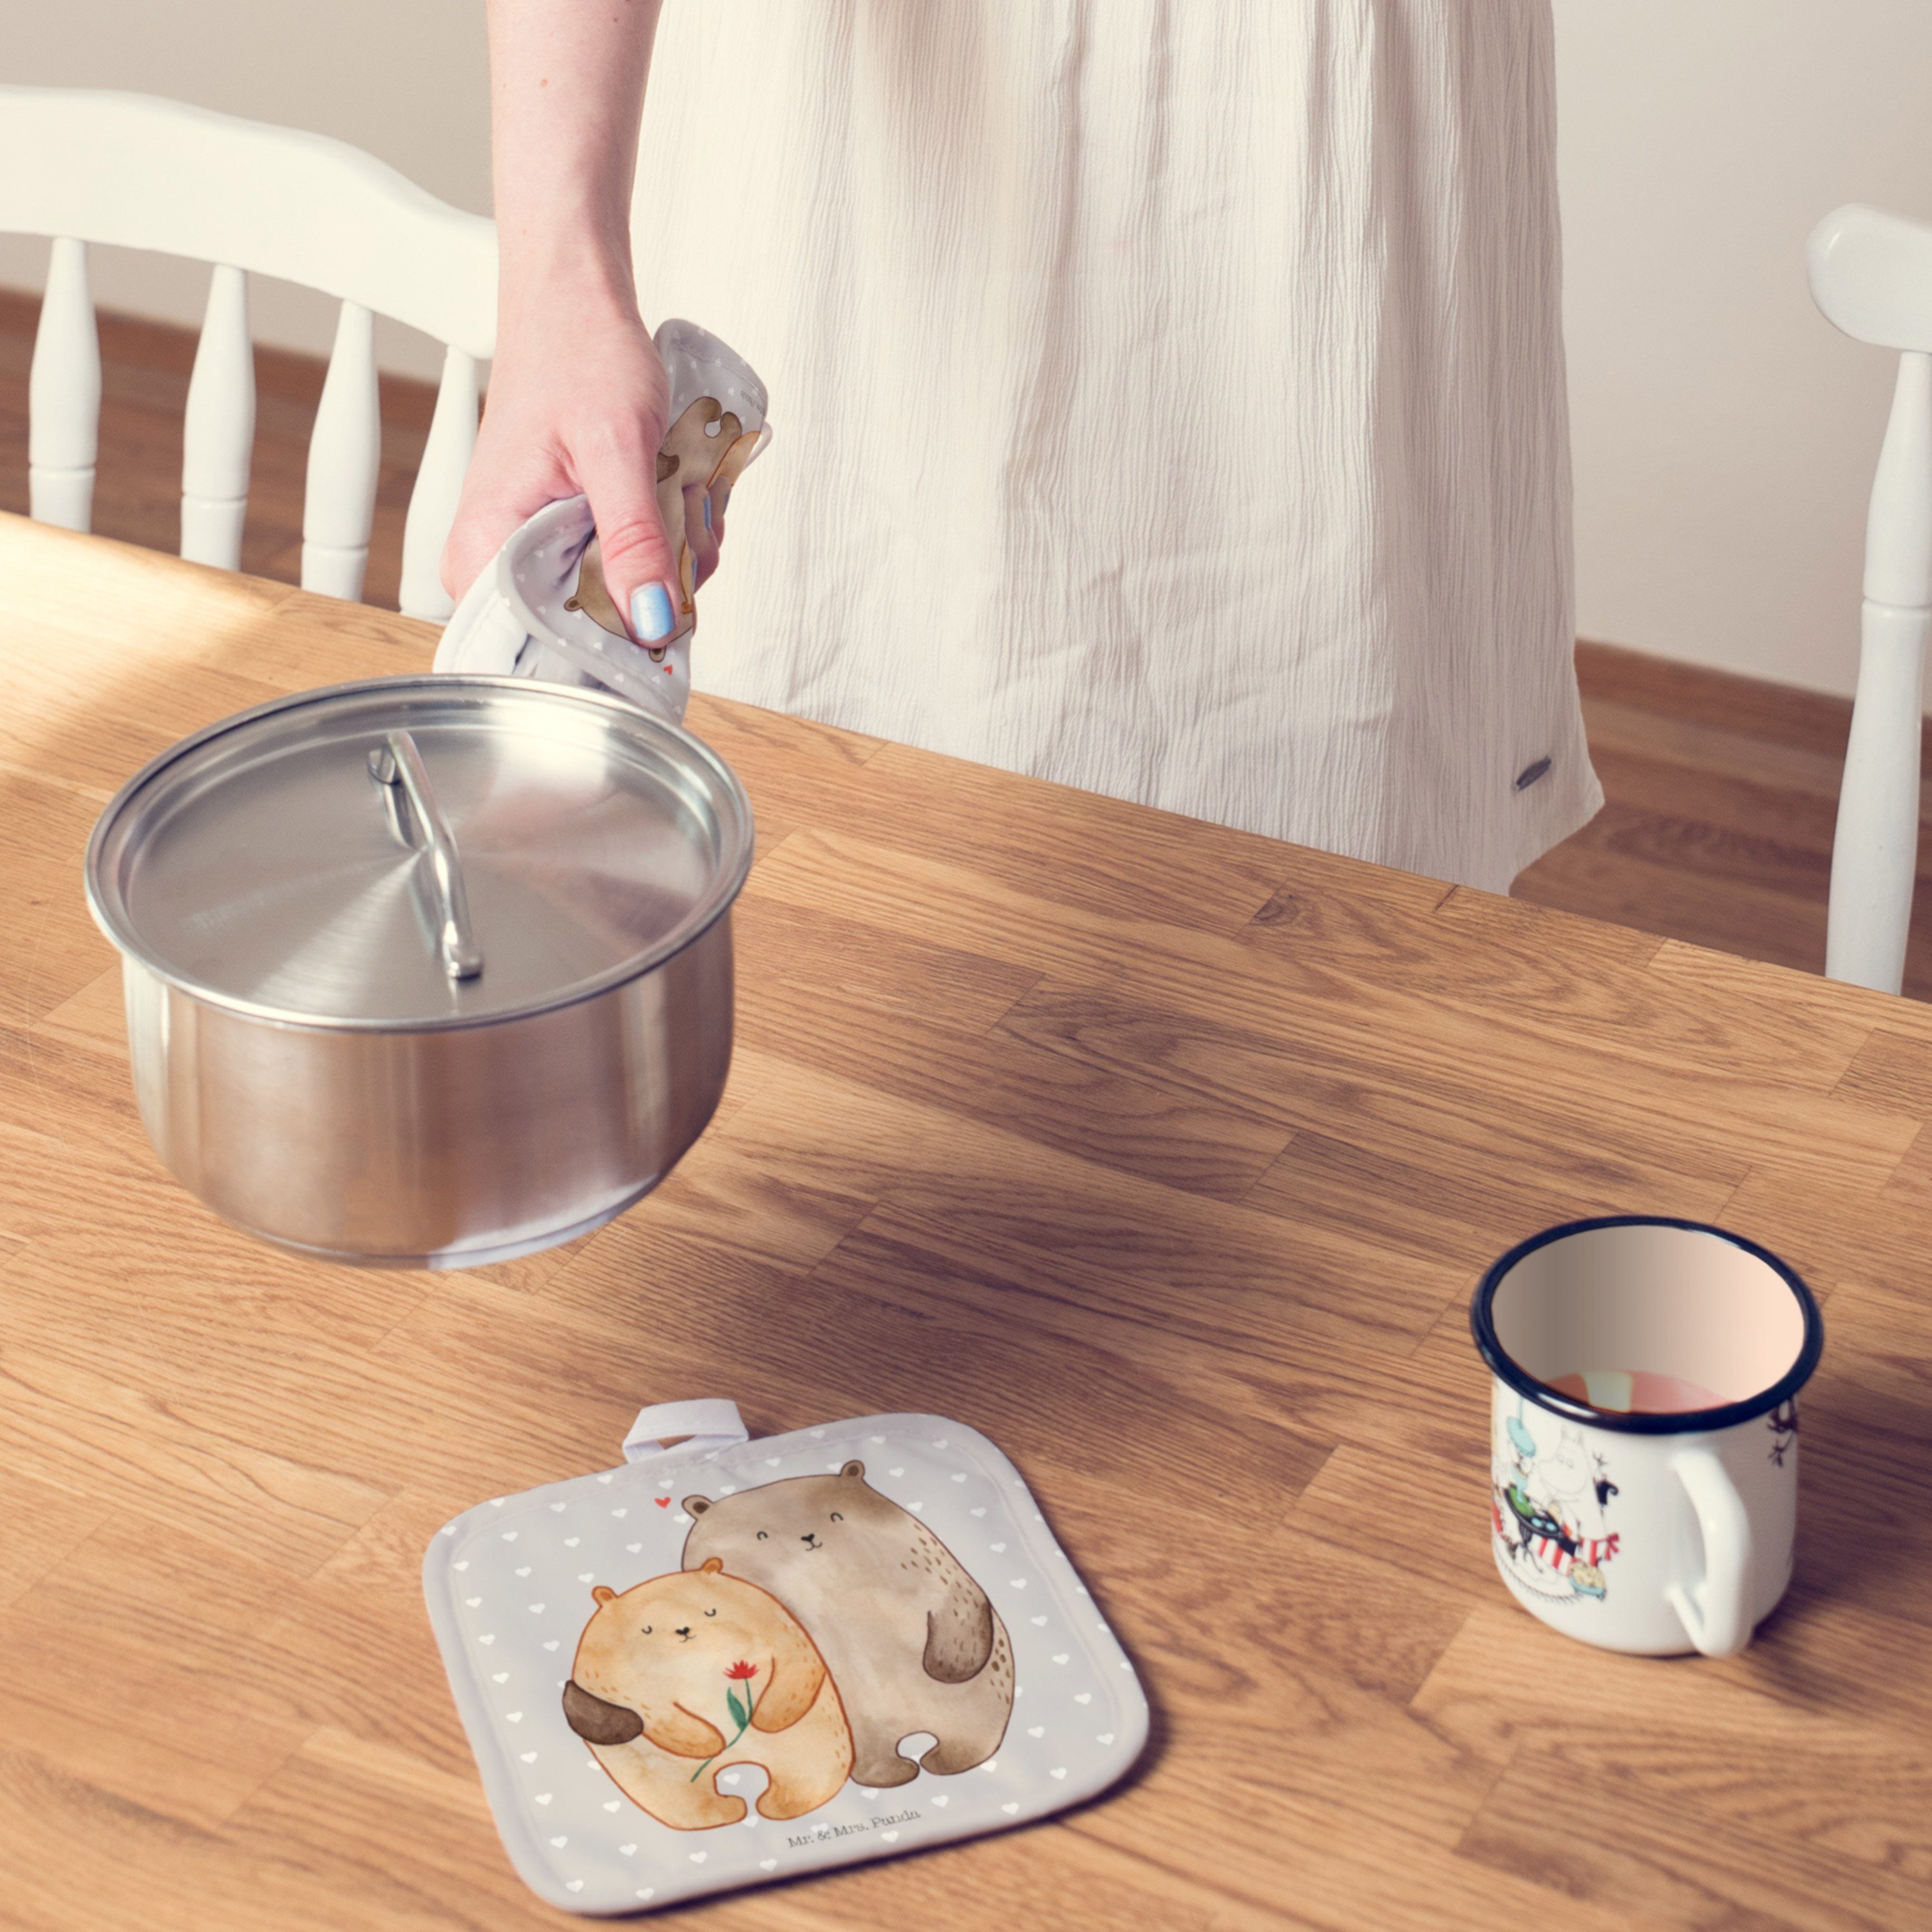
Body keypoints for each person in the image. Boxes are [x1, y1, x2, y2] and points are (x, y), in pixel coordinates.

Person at [444, 1, 1600, 893]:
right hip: (862, 147)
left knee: (1331, 917)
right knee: (787, 894)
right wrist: (556, 289)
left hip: (1317, 139)